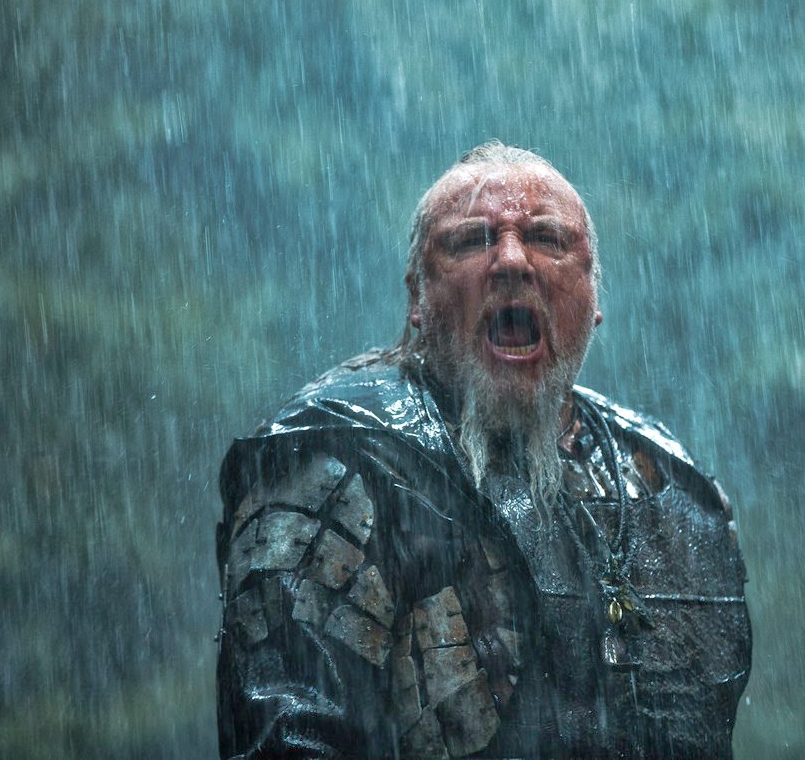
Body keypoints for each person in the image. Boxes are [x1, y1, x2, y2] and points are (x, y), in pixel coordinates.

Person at [215, 142, 751, 759]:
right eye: (471, 240)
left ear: (594, 297)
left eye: (548, 238)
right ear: (417, 298)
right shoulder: (342, 455)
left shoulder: (668, 484)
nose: (512, 261)